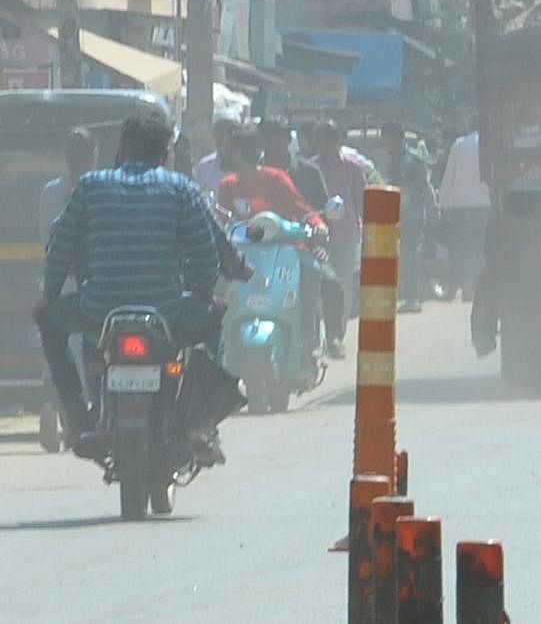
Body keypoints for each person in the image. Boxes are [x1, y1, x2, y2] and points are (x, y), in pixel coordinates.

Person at [36, 114, 223, 460]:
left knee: (49, 322)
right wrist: (204, 291)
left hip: (98, 309)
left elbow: (60, 246)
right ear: (165, 153)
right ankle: (201, 423)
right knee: (215, 319)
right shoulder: (182, 189)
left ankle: (77, 418)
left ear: (121, 149)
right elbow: (206, 254)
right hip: (168, 309)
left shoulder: (90, 186)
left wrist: (49, 294)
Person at [219, 127, 335, 357]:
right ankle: (220, 341)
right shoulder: (228, 185)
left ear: (238, 154)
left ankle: (307, 338)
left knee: (311, 271)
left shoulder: (277, 178)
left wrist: (318, 225)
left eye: (230, 149)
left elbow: (302, 209)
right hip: (243, 257)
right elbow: (221, 220)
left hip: (286, 252)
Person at [257, 119, 347, 358]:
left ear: (289, 140)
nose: (276, 146)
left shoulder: (308, 172)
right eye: (270, 140)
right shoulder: (254, 174)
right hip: (261, 252)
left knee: (331, 283)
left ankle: (333, 337)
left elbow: (323, 212)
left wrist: (320, 240)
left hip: (303, 247)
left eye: (281, 139)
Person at [39, 128, 101, 409]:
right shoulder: (102, 189)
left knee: (59, 344)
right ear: (93, 156)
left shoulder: (50, 192)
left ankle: (61, 404)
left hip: (60, 281)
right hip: (93, 283)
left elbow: (46, 240)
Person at [312, 120, 369, 323]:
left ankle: (338, 332)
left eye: (321, 139)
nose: (316, 143)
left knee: (343, 283)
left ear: (334, 140)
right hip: (318, 235)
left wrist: (367, 233)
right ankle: (318, 333)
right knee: (318, 283)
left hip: (345, 234)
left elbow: (362, 202)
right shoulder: (312, 167)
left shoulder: (352, 168)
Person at [383, 124, 438, 313]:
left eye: (388, 138)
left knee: (408, 255)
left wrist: (433, 211)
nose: (385, 143)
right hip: (391, 216)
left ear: (398, 139)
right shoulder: (388, 161)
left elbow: (425, 187)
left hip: (412, 216)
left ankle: (412, 297)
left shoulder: (413, 160)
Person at [438, 130, 491, 301]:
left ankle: (465, 288)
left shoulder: (460, 144)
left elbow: (449, 176)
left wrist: (443, 202)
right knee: (482, 249)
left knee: (462, 249)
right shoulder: (490, 142)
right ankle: (477, 288)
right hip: (485, 205)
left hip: (461, 207)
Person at [195, 106, 243, 198]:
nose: (225, 136)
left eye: (230, 131)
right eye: (220, 131)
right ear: (213, 133)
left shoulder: (247, 166)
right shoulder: (204, 166)